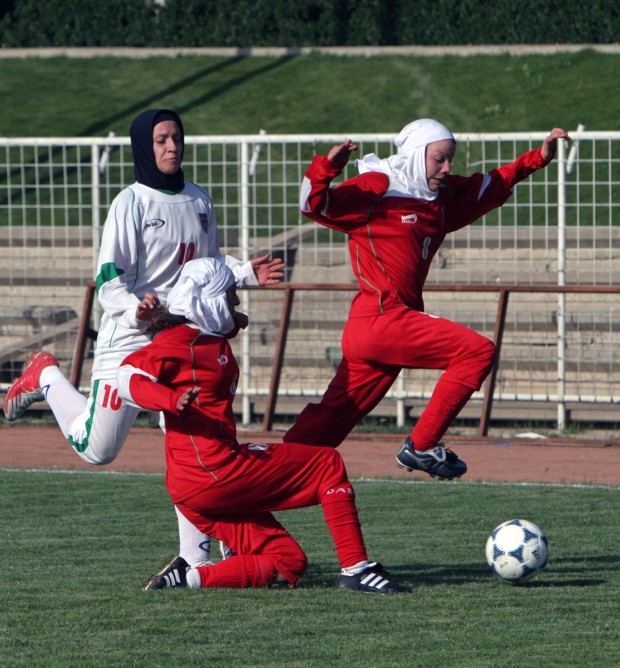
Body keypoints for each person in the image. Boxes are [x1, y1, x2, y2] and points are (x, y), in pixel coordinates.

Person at [3, 108, 284, 569]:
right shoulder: (129, 203)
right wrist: (138, 309)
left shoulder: (199, 199)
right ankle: (46, 375)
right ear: (143, 146)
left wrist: (247, 273)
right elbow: (109, 280)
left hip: (178, 340)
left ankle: (194, 559)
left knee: (187, 435)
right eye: (161, 140)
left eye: (176, 137)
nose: (172, 147)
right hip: (129, 340)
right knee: (98, 450)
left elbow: (209, 266)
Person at [283, 119, 571, 479]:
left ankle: (260, 479)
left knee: (326, 425)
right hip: (382, 318)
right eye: (439, 159)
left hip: (377, 329)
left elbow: (492, 183)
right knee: (476, 351)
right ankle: (421, 446)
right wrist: (327, 168)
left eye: (450, 159)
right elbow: (312, 205)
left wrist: (538, 159)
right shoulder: (377, 185)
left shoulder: (440, 196)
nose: (447, 168)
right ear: (417, 155)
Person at [116, 257, 409, 593]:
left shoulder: (201, 336)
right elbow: (126, 377)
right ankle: (357, 568)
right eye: (230, 295)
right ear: (210, 301)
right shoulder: (183, 340)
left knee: (289, 563)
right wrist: (169, 400)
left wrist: (234, 316)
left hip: (191, 490)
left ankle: (188, 579)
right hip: (215, 472)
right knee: (326, 462)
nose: (236, 301)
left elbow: (210, 345)